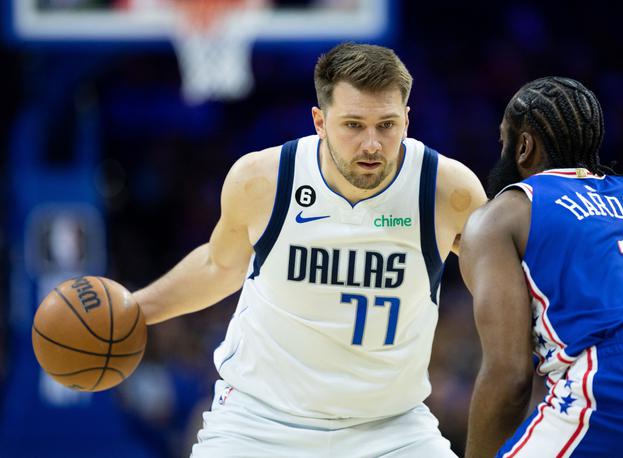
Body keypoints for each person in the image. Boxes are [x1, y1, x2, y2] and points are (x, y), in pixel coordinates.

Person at [133, 42, 486, 457]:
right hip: (259, 422)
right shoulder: (263, 178)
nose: (372, 143)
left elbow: (506, 284)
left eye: (386, 125)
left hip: (391, 427)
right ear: (319, 121)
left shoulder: (448, 190)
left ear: (407, 120)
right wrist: (133, 310)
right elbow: (217, 265)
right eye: (353, 125)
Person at [459, 76, 623, 457]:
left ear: (524, 146)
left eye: (504, 141)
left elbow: (510, 375)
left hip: (613, 386)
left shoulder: (505, 214)